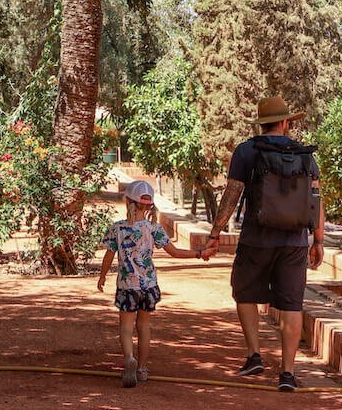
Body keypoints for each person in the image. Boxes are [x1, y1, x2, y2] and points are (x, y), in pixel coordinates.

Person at [202, 96, 324, 392]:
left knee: (244, 292)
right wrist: (318, 241)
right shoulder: (305, 155)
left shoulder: (246, 151)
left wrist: (215, 234)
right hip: (295, 243)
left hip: (256, 239)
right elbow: (316, 200)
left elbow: (232, 195)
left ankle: (254, 355)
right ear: (285, 123)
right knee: (292, 305)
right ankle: (288, 373)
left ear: (261, 124)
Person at [98, 179, 210, 388]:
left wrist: (102, 276)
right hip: (148, 285)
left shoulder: (118, 228)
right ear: (149, 205)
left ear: (127, 202)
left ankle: (129, 358)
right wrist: (199, 253)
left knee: (126, 327)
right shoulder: (154, 229)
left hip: (127, 285)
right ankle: (141, 368)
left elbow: (109, 255)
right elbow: (174, 252)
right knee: (144, 326)